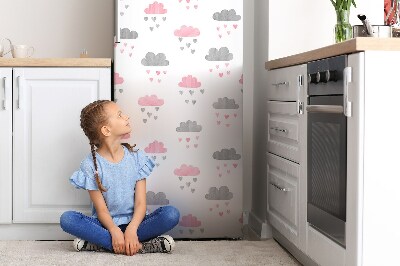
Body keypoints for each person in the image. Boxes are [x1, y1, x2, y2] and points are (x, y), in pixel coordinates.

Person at [60, 100, 180, 256]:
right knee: (67, 219)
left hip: (137, 223)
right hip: (106, 225)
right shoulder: (90, 165)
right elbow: (102, 210)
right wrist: (114, 230)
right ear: (106, 130)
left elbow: (140, 203)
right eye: (119, 115)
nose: (127, 117)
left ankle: (104, 244)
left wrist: (132, 229)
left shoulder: (136, 157)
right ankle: (142, 246)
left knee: (171, 214)